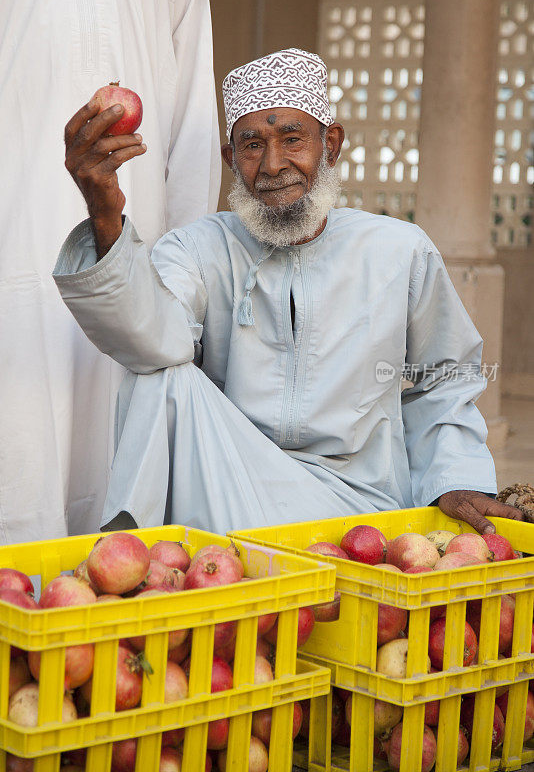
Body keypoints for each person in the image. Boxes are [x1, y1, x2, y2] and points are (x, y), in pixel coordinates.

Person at [54, 48, 521, 536]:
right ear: (231, 159)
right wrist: (104, 213)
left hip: (358, 504)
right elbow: (149, 343)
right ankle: (131, 566)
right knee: (157, 373)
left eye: (293, 139)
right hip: (231, 489)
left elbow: (444, 376)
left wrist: (455, 477)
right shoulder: (197, 247)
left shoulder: (398, 250)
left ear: (331, 144)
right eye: (252, 146)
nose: (273, 165)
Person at [0, 0, 220, 542]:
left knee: (119, 462)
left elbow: (194, 115)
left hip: (135, 248)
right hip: (13, 248)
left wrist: (185, 274)